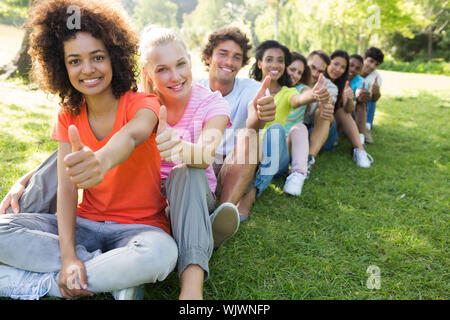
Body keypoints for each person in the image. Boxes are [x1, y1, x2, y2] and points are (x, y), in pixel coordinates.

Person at [0, 0, 178, 300]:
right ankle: (106, 276)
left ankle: (44, 283)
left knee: (162, 254)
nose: (88, 70)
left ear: (114, 57)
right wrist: (69, 256)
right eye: (74, 61)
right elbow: (67, 193)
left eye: (97, 57)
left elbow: (133, 136)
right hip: (85, 225)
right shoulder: (67, 115)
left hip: (140, 230)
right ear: (61, 65)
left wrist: (102, 160)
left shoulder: (143, 103)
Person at [139, 25, 234, 300]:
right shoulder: (140, 104)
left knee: (186, 172)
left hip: (194, 191)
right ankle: (202, 230)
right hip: (150, 197)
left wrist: (178, 147)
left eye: (181, 64)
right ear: (148, 73)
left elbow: (205, 154)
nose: (176, 76)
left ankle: (191, 291)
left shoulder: (213, 104)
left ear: (190, 61)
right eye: (162, 69)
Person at [197, 26, 277, 221]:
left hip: (234, 165)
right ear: (208, 57)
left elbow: (252, 123)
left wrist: (259, 114)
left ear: (241, 63)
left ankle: (221, 215)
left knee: (250, 135)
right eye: (223, 54)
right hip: (200, 162)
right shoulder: (194, 89)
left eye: (236, 57)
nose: (229, 62)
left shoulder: (252, 89)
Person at [238, 40, 312, 213]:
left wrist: (312, 95)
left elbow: (298, 100)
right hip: (252, 152)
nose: (275, 64)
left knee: (276, 129)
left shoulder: (289, 92)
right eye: (269, 59)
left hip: (277, 157)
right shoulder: (248, 88)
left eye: (280, 60)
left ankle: (252, 194)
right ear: (260, 63)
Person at [325, 50, 373, 168]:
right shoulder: (318, 79)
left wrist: (350, 97)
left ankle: (360, 150)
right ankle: (359, 142)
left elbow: (348, 107)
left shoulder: (343, 84)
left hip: (330, 128)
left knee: (342, 111)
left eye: (342, 67)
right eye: (336, 64)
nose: (338, 69)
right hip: (316, 127)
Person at [360, 47, 384, 144]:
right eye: (371, 61)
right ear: (364, 58)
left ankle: (366, 127)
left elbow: (374, 99)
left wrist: (377, 92)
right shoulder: (354, 68)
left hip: (363, 107)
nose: (372, 66)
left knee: (369, 97)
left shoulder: (376, 77)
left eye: (376, 64)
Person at [348, 54, 371, 143]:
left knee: (361, 104)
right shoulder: (339, 76)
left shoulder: (361, 81)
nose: (353, 69)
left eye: (357, 68)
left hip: (352, 111)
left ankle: (361, 140)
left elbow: (359, 91)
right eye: (351, 65)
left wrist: (359, 94)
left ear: (360, 71)